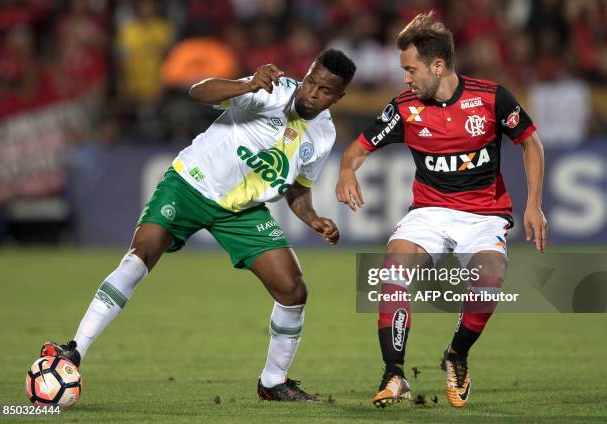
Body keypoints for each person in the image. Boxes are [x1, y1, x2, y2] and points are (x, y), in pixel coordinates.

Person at [41, 49, 356, 401]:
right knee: (139, 256)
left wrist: (312, 219)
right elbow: (198, 91)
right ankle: (75, 350)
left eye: (325, 90)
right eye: (311, 81)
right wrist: (247, 84)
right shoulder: (271, 88)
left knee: (293, 290)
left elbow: (297, 188)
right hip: (191, 184)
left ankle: (273, 382)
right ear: (307, 73)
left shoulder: (324, 134)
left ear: (338, 97)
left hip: (241, 211)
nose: (312, 93)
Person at [336, 12, 547, 408]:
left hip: (484, 215)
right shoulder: (403, 108)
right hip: (429, 211)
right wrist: (347, 171)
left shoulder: (490, 98)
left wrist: (534, 203)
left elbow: (531, 143)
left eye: (410, 69)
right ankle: (394, 374)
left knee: (489, 281)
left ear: (437, 65)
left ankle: (456, 355)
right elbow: (359, 147)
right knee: (393, 269)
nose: (405, 78)